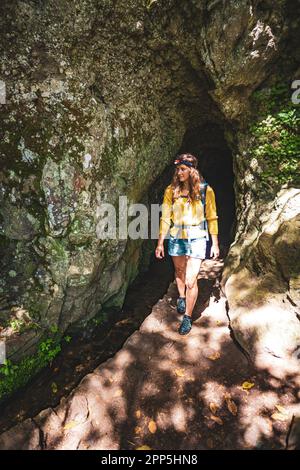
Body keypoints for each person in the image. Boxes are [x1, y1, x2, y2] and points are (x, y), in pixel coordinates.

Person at [155, 153, 220, 335]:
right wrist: (160, 243)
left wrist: (215, 244)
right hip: (177, 236)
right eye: (177, 169)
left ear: (192, 170)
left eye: (182, 169)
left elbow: (212, 217)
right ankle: (181, 296)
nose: (179, 172)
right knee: (180, 271)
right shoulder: (171, 191)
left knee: (191, 279)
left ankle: (188, 317)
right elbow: (165, 218)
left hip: (198, 237)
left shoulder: (206, 191)